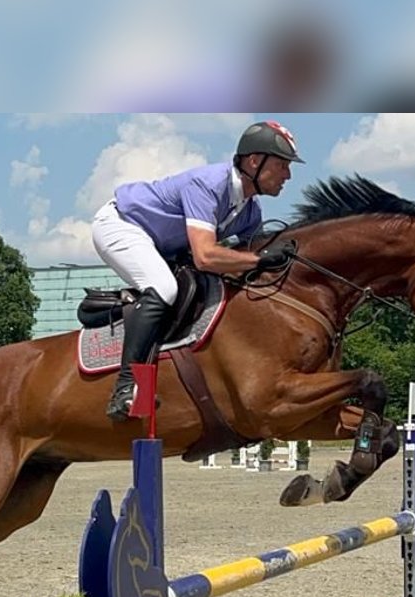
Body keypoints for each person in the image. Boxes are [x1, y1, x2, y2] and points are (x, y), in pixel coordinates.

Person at [91, 120, 304, 421]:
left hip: (163, 245)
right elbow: (205, 256)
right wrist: (259, 260)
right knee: (165, 288)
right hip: (121, 225)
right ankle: (127, 386)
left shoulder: (251, 211)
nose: (288, 175)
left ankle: (130, 304)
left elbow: (239, 266)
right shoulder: (209, 184)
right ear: (255, 161)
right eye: (282, 165)